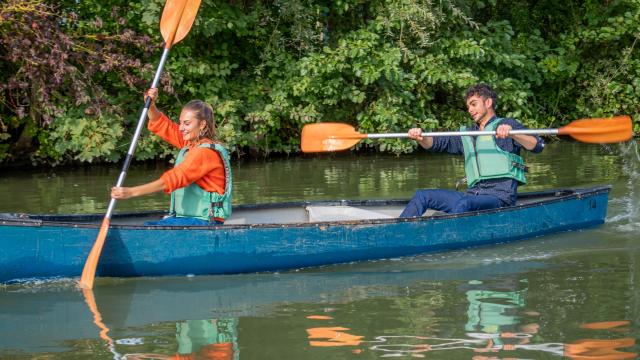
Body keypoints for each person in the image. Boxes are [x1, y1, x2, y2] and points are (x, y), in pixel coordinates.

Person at [399, 84, 544, 217]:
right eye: (468, 106)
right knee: (422, 195)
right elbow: (436, 143)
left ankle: (446, 237)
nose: (470, 110)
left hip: (499, 197)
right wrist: (420, 137)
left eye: (474, 104)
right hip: (472, 195)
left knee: (464, 204)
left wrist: (513, 133)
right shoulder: (468, 133)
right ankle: (399, 233)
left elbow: (537, 145)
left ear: (488, 103)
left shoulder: (508, 124)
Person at [111, 88, 233, 226]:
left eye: (187, 123)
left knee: (149, 229)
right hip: (188, 219)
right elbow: (163, 125)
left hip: (205, 221)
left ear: (202, 124)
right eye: (181, 123)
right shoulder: (191, 143)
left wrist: (131, 192)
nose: (181, 128)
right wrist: (151, 106)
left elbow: (173, 179)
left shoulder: (205, 153)